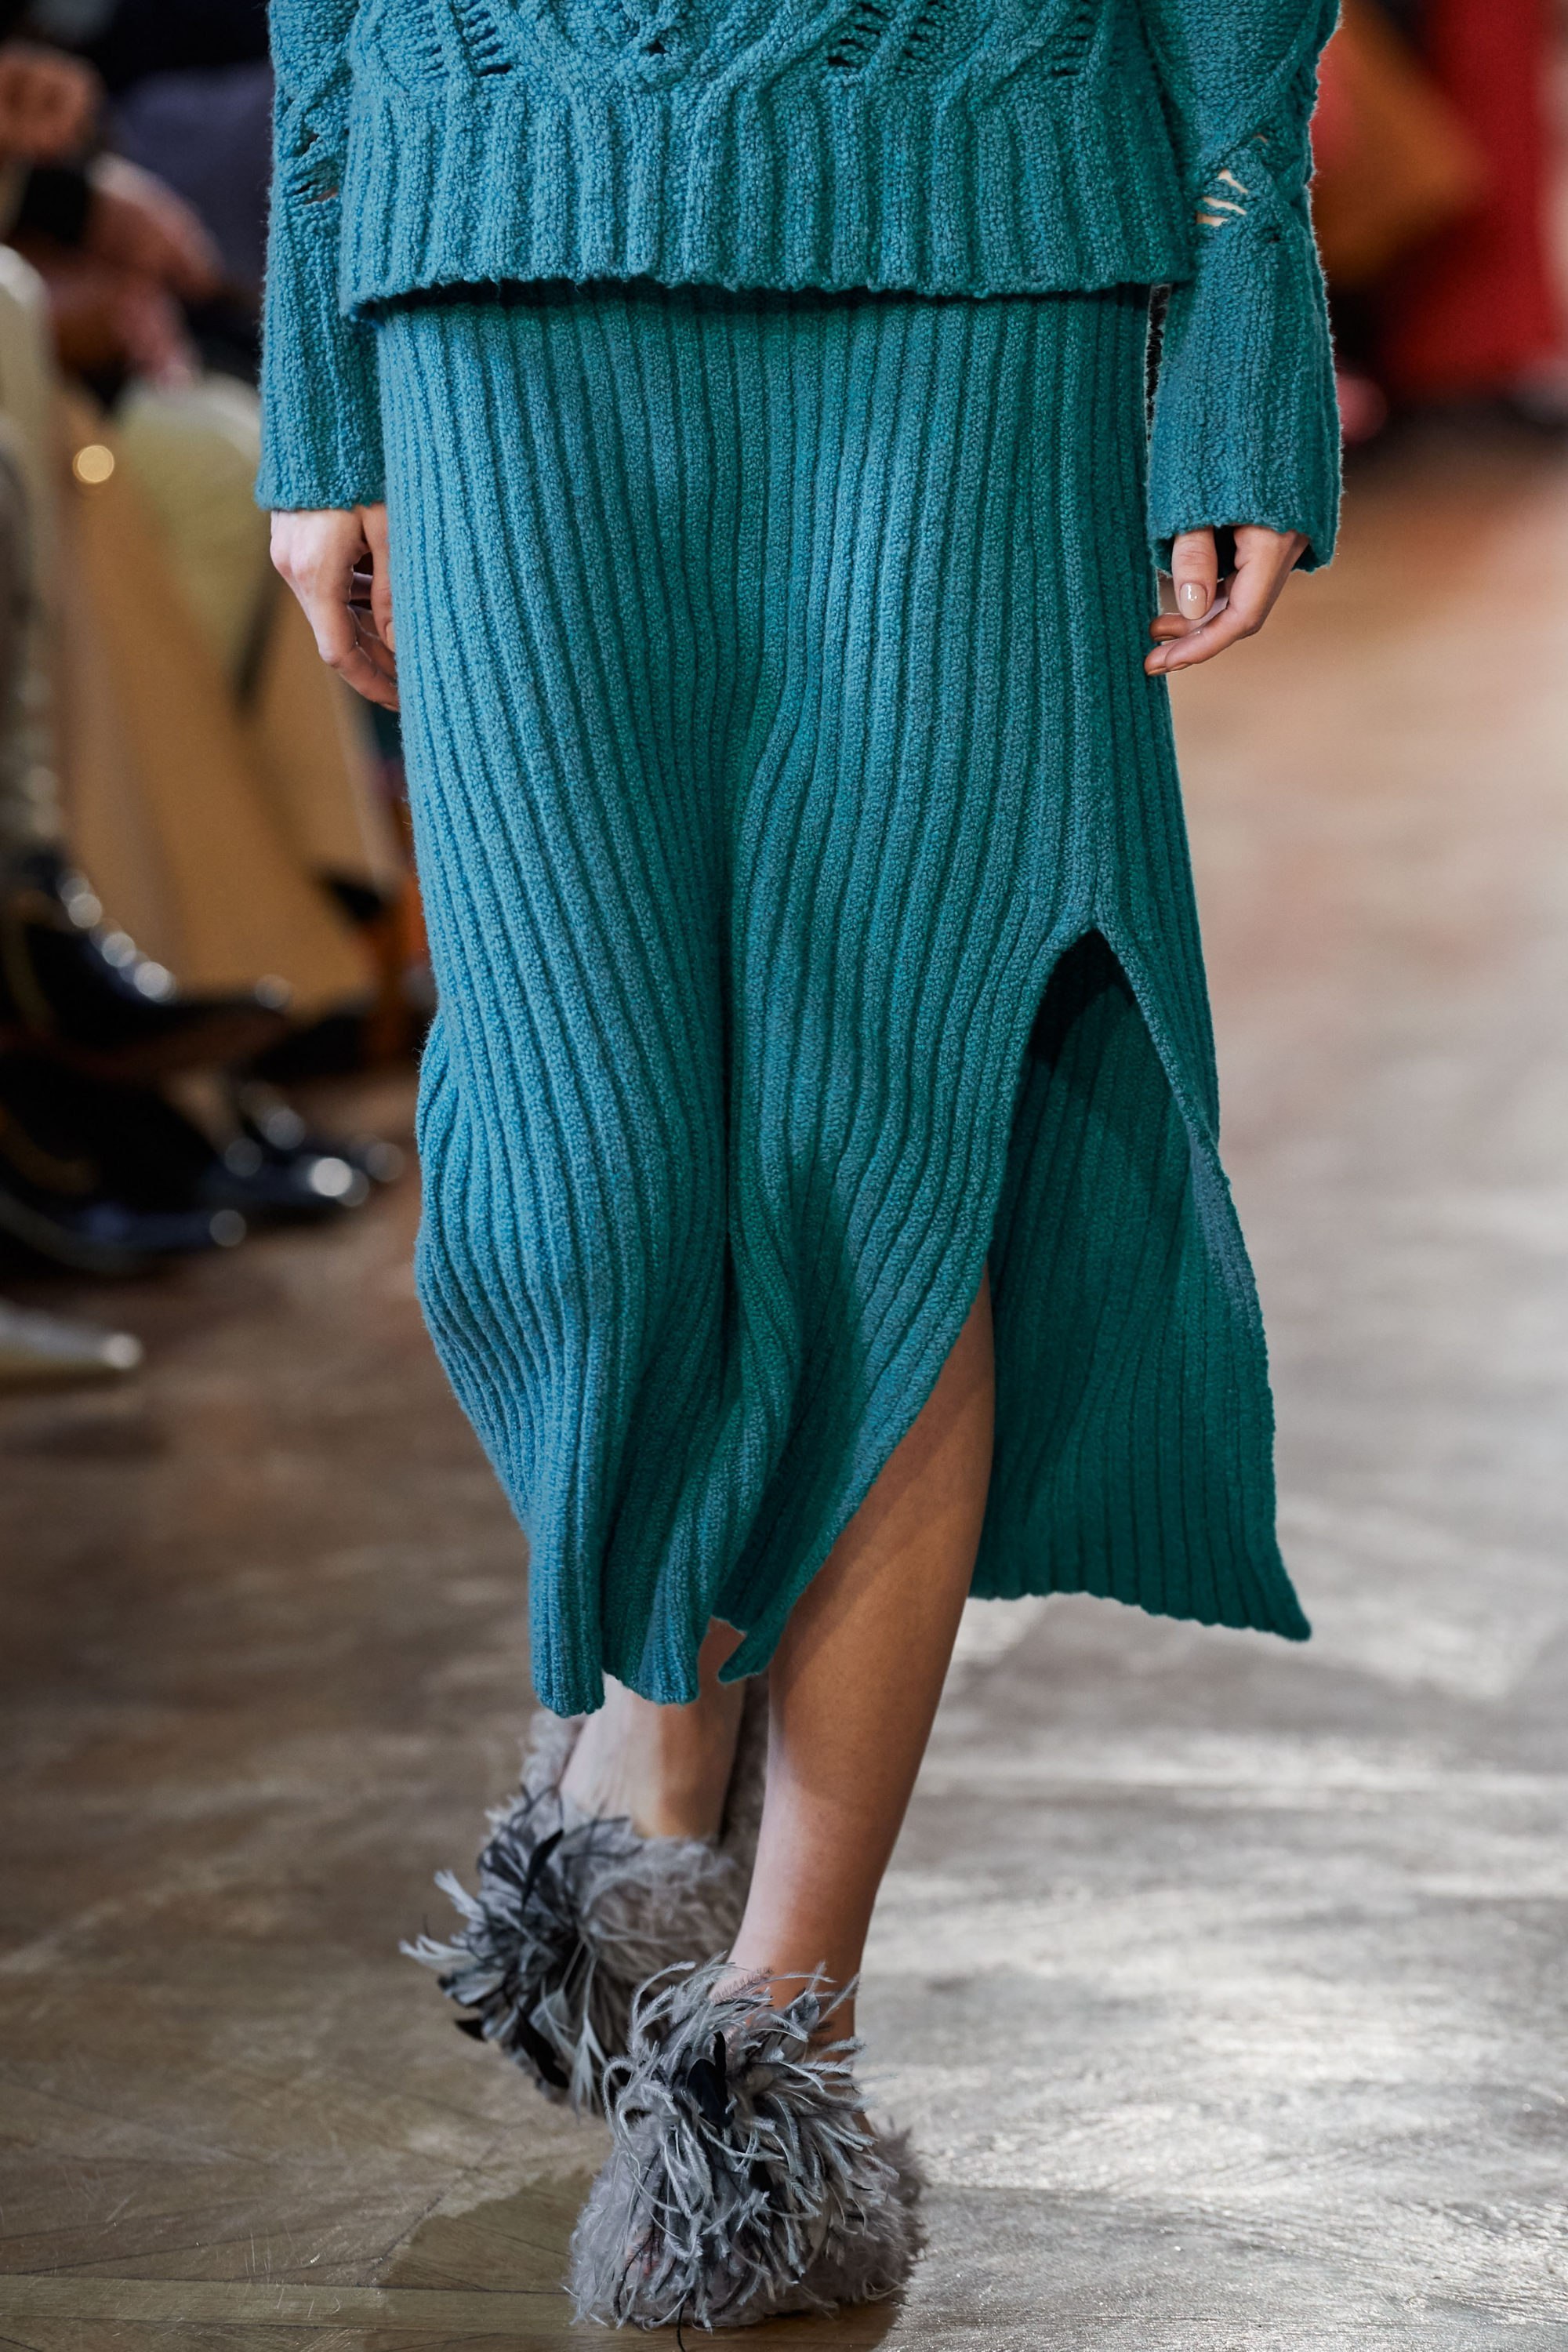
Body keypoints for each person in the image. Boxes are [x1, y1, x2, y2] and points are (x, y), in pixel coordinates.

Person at [263, 0, 1341, 2325]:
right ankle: (663, 1726)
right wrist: (316, 362)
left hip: (975, 213)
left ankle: (783, 2031)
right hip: (490, 220)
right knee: (581, 1168)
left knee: (894, 1123)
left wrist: (1249, 277)